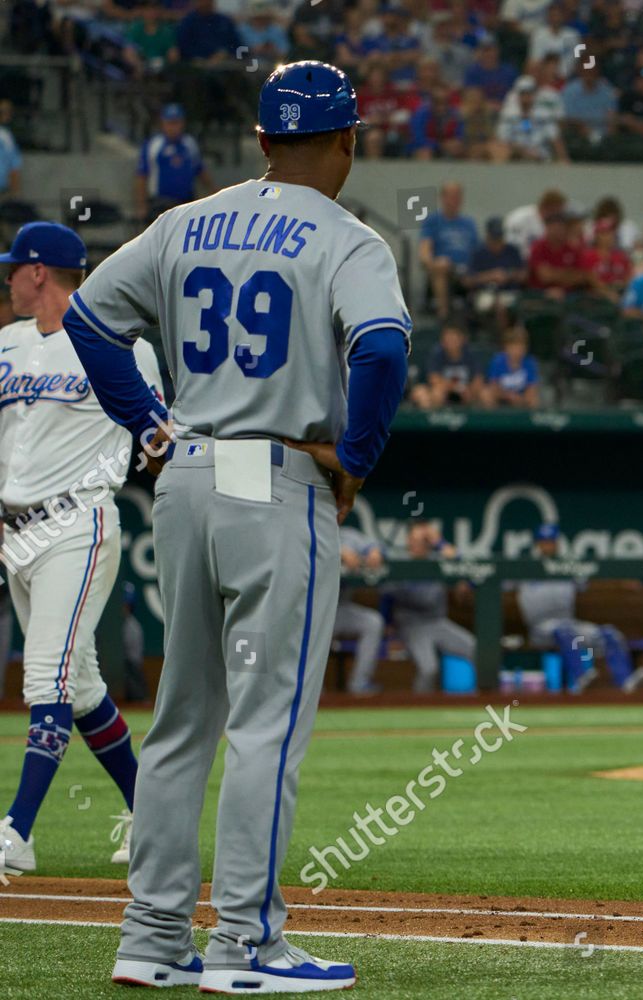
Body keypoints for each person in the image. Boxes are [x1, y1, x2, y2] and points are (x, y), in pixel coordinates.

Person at [64, 61, 408, 991]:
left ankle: (150, 938)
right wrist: (360, 461)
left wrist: (148, 422)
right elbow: (380, 349)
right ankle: (246, 944)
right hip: (273, 475)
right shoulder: (348, 236)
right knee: (267, 725)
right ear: (348, 139)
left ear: (261, 141)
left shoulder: (184, 221)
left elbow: (88, 320)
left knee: (182, 723)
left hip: (187, 472)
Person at [0, 223, 164, 880]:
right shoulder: (6, 344)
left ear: (41, 272)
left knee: (47, 680)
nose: (8, 276)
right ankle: (150, 815)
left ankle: (17, 833)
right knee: (85, 689)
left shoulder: (117, 342)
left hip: (78, 523)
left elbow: (156, 430)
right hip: (16, 533)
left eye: (15, 266)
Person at [517, 524, 643, 693]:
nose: (548, 545)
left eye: (551, 541)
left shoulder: (569, 565)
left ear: (557, 543)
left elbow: (595, 578)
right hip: (540, 628)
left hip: (568, 623)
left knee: (609, 633)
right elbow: (493, 580)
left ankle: (625, 681)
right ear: (537, 544)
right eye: (544, 542)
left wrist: (621, 581)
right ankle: (581, 677)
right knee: (565, 631)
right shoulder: (524, 566)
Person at [388, 521, 475, 693]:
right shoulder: (398, 561)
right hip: (411, 626)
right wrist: (388, 626)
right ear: (407, 540)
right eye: (413, 539)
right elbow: (387, 598)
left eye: (423, 540)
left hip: (437, 622)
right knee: (429, 668)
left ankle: (487, 703)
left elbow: (473, 572)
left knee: (476, 649)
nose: (417, 544)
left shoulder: (438, 559)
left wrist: (440, 544)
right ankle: (418, 711)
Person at [135, 105, 210, 223]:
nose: (173, 127)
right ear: (163, 124)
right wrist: (142, 205)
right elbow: (142, 176)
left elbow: (200, 171)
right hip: (160, 204)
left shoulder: (190, 144)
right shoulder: (154, 145)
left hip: (186, 203)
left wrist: (216, 192)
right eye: (170, 123)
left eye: (176, 123)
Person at [335, 526, 387, 696]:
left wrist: (375, 551)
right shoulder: (308, 526)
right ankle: (312, 690)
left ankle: (359, 684)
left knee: (372, 622)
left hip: (339, 608)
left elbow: (375, 545)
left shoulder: (349, 535)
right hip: (312, 609)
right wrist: (338, 551)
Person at [419, 181, 480, 320]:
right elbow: (424, 253)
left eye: (458, 196)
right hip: (446, 270)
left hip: (468, 272)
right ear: (443, 198)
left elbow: (478, 251)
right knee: (442, 264)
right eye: (451, 196)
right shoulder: (432, 221)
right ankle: (444, 316)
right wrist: (433, 265)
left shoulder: (469, 223)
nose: (455, 200)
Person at [410, 322, 483, 410]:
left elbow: (478, 379)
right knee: (437, 393)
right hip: (445, 392)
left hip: (467, 393)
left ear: (462, 339)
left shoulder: (470, 354)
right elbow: (434, 379)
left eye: (453, 339)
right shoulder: (437, 354)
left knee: (484, 394)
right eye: (447, 339)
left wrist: (470, 390)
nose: (450, 342)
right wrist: (457, 388)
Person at [482, 326, 540, 409]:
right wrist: (509, 396)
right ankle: (494, 420)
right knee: (486, 394)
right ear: (506, 348)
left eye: (521, 347)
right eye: (514, 347)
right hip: (502, 396)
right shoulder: (497, 361)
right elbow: (493, 386)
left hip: (521, 398)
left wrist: (521, 399)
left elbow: (531, 388)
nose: (517, 351)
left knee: (534, 399)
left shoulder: (530, 363)